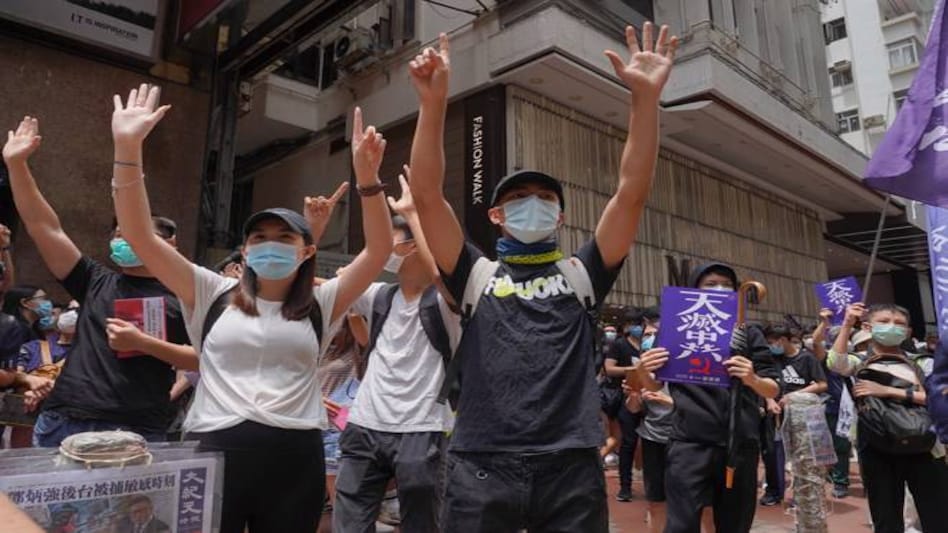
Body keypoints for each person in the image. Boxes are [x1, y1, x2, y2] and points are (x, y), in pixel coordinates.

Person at [407, 23, 678, 531]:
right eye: (516, 199)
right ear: (495, 217)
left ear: (559, 218)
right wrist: (433, 103)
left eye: (545, 200)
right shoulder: (475, 275)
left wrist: (645, 101)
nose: (531, 206)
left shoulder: (583, 274)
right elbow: (425, 197)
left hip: (571, 463)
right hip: (481, 461)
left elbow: (631, 191)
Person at [108, 82, 392, 533]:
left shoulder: (324, 300)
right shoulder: (208, 289)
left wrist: (368, 179)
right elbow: (140, 234)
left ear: (306, 253)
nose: (270, 247)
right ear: (244, 249)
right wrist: (127, 149)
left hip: (295, 457)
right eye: (260, 238)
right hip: (212, 450)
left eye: (285, 239)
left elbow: (378, 250)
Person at [2, 116, 197, 446]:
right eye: (117, 233)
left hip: (137, 430)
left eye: (135, 231)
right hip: (64, 421)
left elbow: (207, 358)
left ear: (171, 244)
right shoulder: (94, 279)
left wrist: (147, 343)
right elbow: (44, 226)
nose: (123, 238)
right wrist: (17, 165)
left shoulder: (190, 292)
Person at [333, 170, 460, 533]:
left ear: (414, 247)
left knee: (422, 522)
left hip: (423, 427)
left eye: (392, 241)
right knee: (350, 521)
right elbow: (326, 288)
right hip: (364, 423)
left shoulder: (446, 303)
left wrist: (418, 217)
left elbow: (444, 280)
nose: (383, 248)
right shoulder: (378, 295)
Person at [642, 262, 780, 533]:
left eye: (726, 285)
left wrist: (752, 379)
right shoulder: (674, 330)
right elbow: (654, 385)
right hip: (688, 444)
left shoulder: (749, 333)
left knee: (735, 523)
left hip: (740, 445)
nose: (719, 290)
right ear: (694, 292)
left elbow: (773, 389)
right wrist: (643, 369)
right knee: (681, 524)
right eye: (710, 284)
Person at [828, 302, 948, 533]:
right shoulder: (860, 360)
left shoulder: (922, 362)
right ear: (867, 326)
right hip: (876, 446)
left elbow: (938, 399)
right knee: (886, 517)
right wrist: (845, 324)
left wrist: (887, 391)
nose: (892, 327)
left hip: (925, 444)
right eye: (884, 322)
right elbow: (835, 362)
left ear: (908, 332)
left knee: (938, 514)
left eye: (899, 324)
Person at [758, 323, 827, 507]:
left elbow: (821, 384)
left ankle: (802, 495)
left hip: (800, 414)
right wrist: (770, 400)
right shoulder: (771, 359)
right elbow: (763, 383)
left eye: (772, 342)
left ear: (783, 340)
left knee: (801, 456)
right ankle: (774, 491)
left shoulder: (806, 359)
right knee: (772, 454)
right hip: (775, 415)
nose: (771, 346)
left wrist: (795, 395)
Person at [623, 319, 674, 533]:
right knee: (655, 501)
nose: (649, 339)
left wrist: (668, 401)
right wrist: (634, 394)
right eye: (646, 335)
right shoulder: (642, 371)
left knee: (691, 502)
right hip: (653, 439)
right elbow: (633, 409)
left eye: (654, 334)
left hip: (683, 440)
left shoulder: (683, 370)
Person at [811, 307, 855, 499]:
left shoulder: (855, 359)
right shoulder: (827, 358)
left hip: (849, 409)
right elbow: (815, 342)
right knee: (825, 445)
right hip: (829, 407)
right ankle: (831, 474)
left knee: (842, 446)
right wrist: (824, 323)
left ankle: (841, 481)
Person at [605, 309, 644, 501]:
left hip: (651, 397)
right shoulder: (619, 345)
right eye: (632, 323)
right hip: (626, 397)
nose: (636, 327)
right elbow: (609, 369)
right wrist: (632, 369)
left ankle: (654, 482)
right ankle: (625, 486)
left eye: (638, 323)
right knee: (628, 442)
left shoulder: (650, 344)